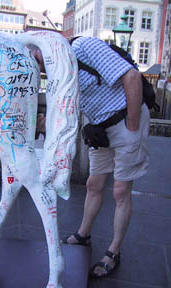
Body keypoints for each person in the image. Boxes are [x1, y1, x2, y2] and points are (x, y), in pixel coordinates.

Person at [35, 35, 150, 279]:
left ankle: (113, 251)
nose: (41, 67)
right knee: (93, 184)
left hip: (126, 121)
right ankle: (83, 234)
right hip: (100, 130)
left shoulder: (83, 47)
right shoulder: (61, 69)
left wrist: (132, 125)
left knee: (120, 191)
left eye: (39, 59)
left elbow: (131, 77)